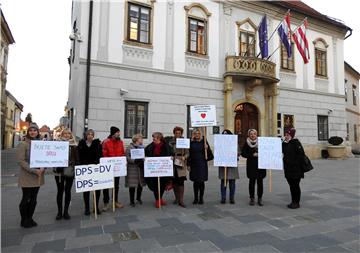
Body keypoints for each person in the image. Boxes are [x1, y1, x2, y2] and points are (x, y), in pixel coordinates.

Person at [17, 123, 45, 228]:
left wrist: (44, 167)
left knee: (34, 199)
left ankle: (30, 218)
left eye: (35, 130)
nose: (32, 132)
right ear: (28, 132)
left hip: (38, 175)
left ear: (38, 132)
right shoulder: (23, 144)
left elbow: (45, 158)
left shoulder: (41, 144)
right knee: (26, 198)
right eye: (30, 130)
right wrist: (34, 170)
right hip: (27, 175)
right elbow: (21, 161)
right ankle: (24, 220)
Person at [54, 128, 79, 220]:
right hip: (59, 171)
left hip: (70, 170)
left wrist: (77, 169)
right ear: (62, 134)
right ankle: (59, 212)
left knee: (68, 191)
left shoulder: (74, 145)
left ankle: (66, 211)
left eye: (69, 133)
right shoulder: (56, 144)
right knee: (60, 191)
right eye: (65, 133)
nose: (67, 135)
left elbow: (77, 159)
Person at [77, 129, 102, 215]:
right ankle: (87, 208)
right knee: (86, 189)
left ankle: (96, 207)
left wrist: (97, 164)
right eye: (89, 134)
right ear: (86, 135)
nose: (90, 136)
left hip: (95, 169)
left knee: (97, 189)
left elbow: (100, 155)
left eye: (92, 134)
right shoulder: (81, 143)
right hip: (85, 169)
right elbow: (79, 155)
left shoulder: (97, 144)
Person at [145, 132, 172, 208]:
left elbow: (171, 153)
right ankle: (157, 200)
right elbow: (145, 153)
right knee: (155, 185)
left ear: (159, 138)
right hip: (153, 170)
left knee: (162, 185)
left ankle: (160, 198)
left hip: (163, 169)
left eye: (155, 137)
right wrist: (145, 158)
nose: (153, 139)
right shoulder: (150, 147)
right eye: (153, 137)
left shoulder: (166, 146)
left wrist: (171, 157)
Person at [102, 126, 125, 211]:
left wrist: (122, 162)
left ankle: (115, 201)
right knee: (106, 185)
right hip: (108, 167)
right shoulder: (106, 142)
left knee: (116, 185)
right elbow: (104, 154)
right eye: (117, 132)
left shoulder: (121, 142)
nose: (119, 134)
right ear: (113, 133)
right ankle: (106, 202)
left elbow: (122, 153)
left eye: (119, 132)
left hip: (117, 168)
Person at [188, 128, 213, 205]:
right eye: (195, 133)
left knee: (201, 182)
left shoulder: (204, 142)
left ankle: (201, 198)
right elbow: (189, 155)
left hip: (202, 164)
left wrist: (207, 149)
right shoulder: (191, 142)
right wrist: (188, 164)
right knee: (195, 182)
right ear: (193, 135)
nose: (197, 135)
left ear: (201, 134)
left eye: (198, 133)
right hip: (194, 164)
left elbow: (210, 156)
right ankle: (196, 198)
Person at [241, 129, 266, 206]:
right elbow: (243, 154)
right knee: (252, 182)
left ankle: (260, 198)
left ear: (256, 134)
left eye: (254, 134)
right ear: (249, 135)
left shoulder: (261, 142)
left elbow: (266, 152)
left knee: (260, 182)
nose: (253, 135)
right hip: (251, 165)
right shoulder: (246, 143)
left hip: (260, 165)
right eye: (251, 134)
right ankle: (252, 198)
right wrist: (252, 155)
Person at [282, 128, 305, 209]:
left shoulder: (296, 143)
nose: (286, 136)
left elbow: (301, 155)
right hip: (288, 169)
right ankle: (293, 201)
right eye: (285, 135)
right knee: (291, 185)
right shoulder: (285, 143)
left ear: (292, 135)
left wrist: (293, 162)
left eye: (288, 135)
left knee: (295, 185)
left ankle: (296, 202)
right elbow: (281, 150)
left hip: (296, 169)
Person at [168, 126, 189, 208]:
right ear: (174, 133)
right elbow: (168, 151)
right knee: (174, 182)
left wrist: (185, 156)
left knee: (181, 181)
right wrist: (170, 156)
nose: (178, 134)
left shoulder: (184, 141)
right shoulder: (170, 142)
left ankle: (181, 200)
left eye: (179, 133)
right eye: (176, 133)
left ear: (181, 133)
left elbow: (188, 153)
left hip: (181, 162)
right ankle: (176, 198)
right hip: (173, 162)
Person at [218, 129, 239, 204]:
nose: (225, 136)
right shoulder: (219, 143)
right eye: (224, 134)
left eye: (226, 134)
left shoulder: (234, 143)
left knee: (232, 183)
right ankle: (223, 198)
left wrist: (236, 155)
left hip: (232, 165)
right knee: (223, 182)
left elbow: (238, 152)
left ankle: (231, 198)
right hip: (223, 166)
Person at [125, 134, 146, 207]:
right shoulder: (129, 147)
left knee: (140, 184)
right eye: (141, 139)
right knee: (132, 185)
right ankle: (131, 201)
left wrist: (144, 159)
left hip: (140, 168)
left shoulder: (143, 147)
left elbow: (144, 156)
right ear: (137, 140)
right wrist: (134, 161)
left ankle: (138, 198)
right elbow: (127, 157)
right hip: (132, 169)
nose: (142, 140)